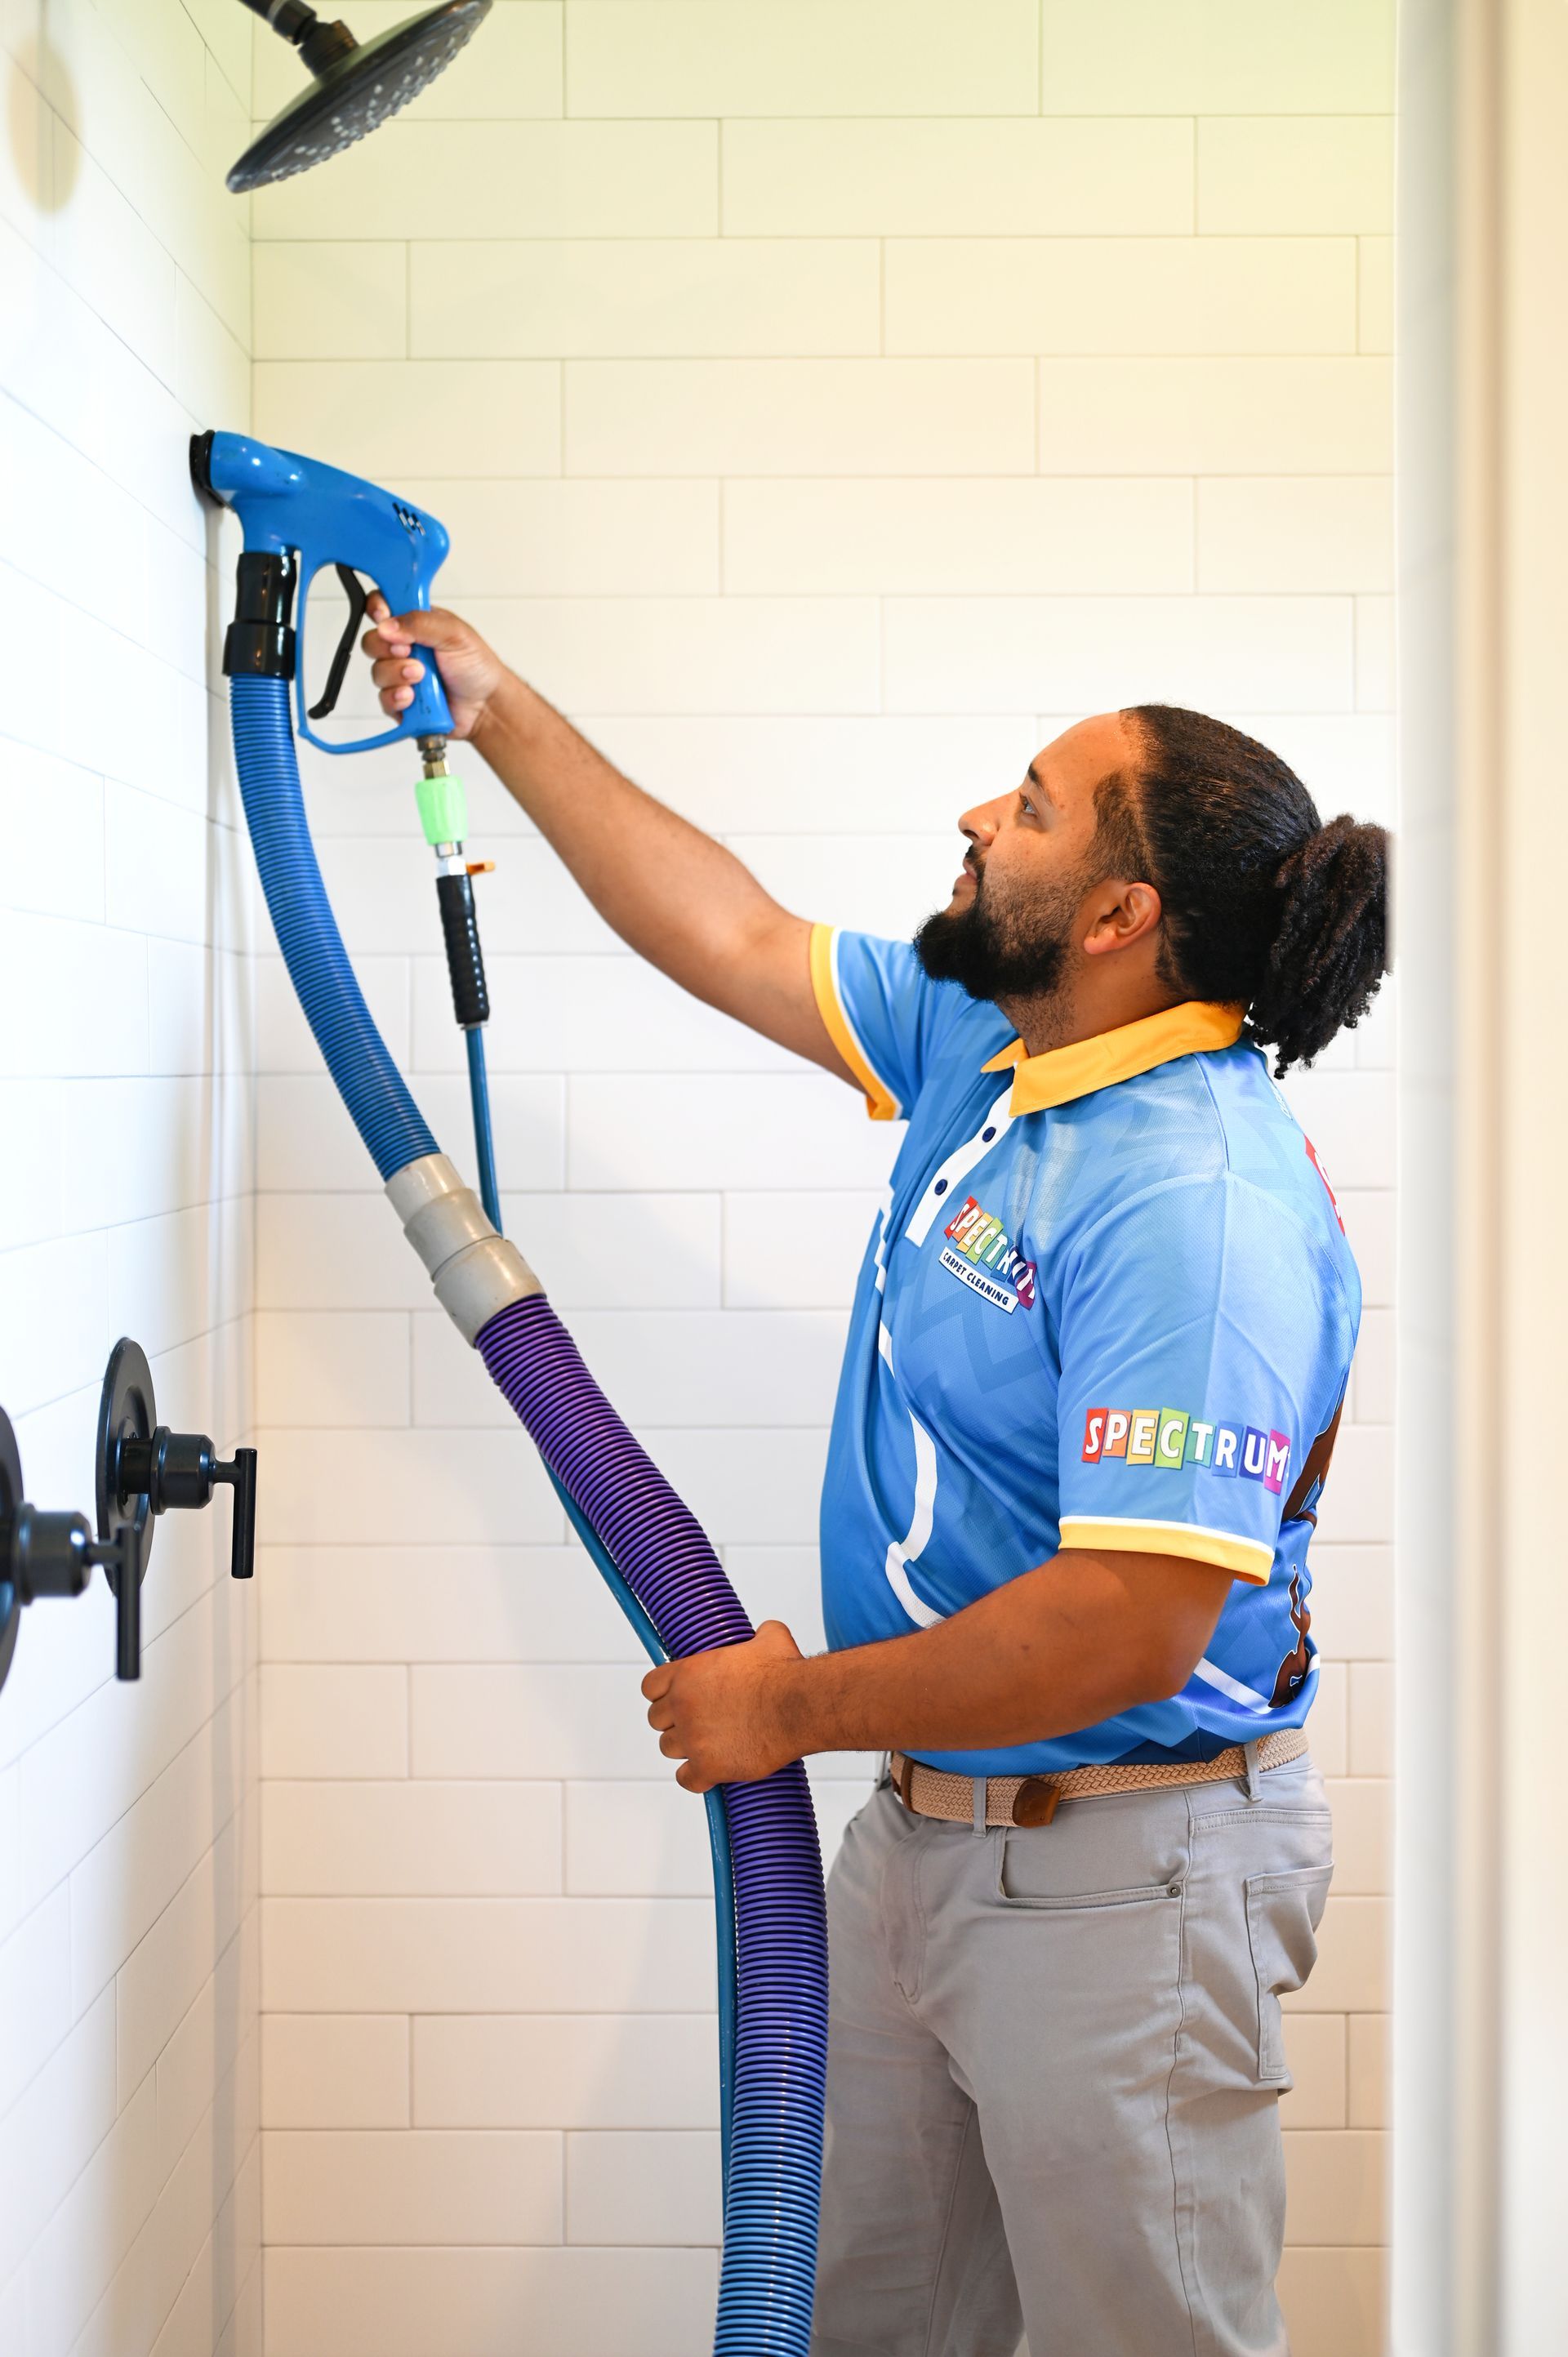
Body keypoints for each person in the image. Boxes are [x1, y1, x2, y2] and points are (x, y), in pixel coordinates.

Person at [363, 597, 1388, 2357]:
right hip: (928, 1838)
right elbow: (737, 933)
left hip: (1127, 1876)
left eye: (1036, 805)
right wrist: (500, 702)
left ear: (1123, 917)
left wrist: (791, 1712)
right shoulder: (993, 1049)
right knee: (870, 2321)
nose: (985, 820)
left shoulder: (1192, 1202)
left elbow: (1135, 1624)